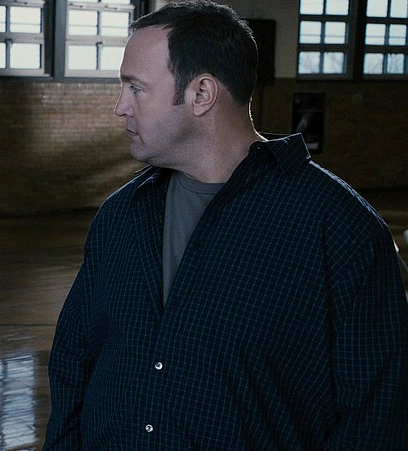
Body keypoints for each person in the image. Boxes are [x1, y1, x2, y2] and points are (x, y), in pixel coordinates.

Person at [45, 1, 408, 449]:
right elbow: (73, 361)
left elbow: (376, 415)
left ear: (202, 94)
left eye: (136, 88)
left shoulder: (340, 230)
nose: (121, 107)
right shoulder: (121, 215)